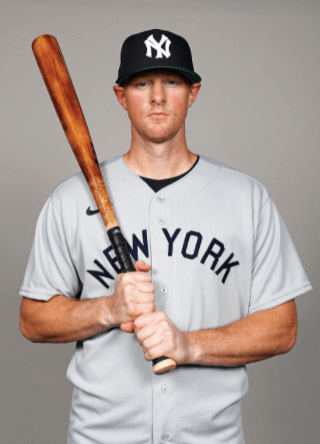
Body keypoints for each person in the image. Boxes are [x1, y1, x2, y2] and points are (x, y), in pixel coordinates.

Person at [19, 29, 312, 444]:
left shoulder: (246, 198)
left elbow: (283, 328)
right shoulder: (69, 200)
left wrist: (189, 345)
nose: (157, 97)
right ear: (121, 96)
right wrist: (107, 308)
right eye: (142, 83)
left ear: (193, 92)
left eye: (171, 82)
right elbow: (32, 319)